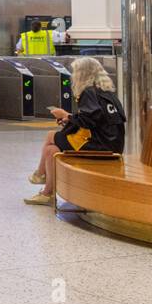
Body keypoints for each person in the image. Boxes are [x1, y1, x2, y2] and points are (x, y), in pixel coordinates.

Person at [25, 56, 125, 205]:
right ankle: (47, 192)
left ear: (82, 74)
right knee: (51, 150)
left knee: (51, 136)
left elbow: (89, 121)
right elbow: (95, 119)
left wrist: (66, 115)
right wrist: (70, 119)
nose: (73, 75)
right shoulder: (107, 92)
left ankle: (40, 175)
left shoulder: (89, 92)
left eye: (75, 71)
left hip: (101, 145)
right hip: (112, 143)